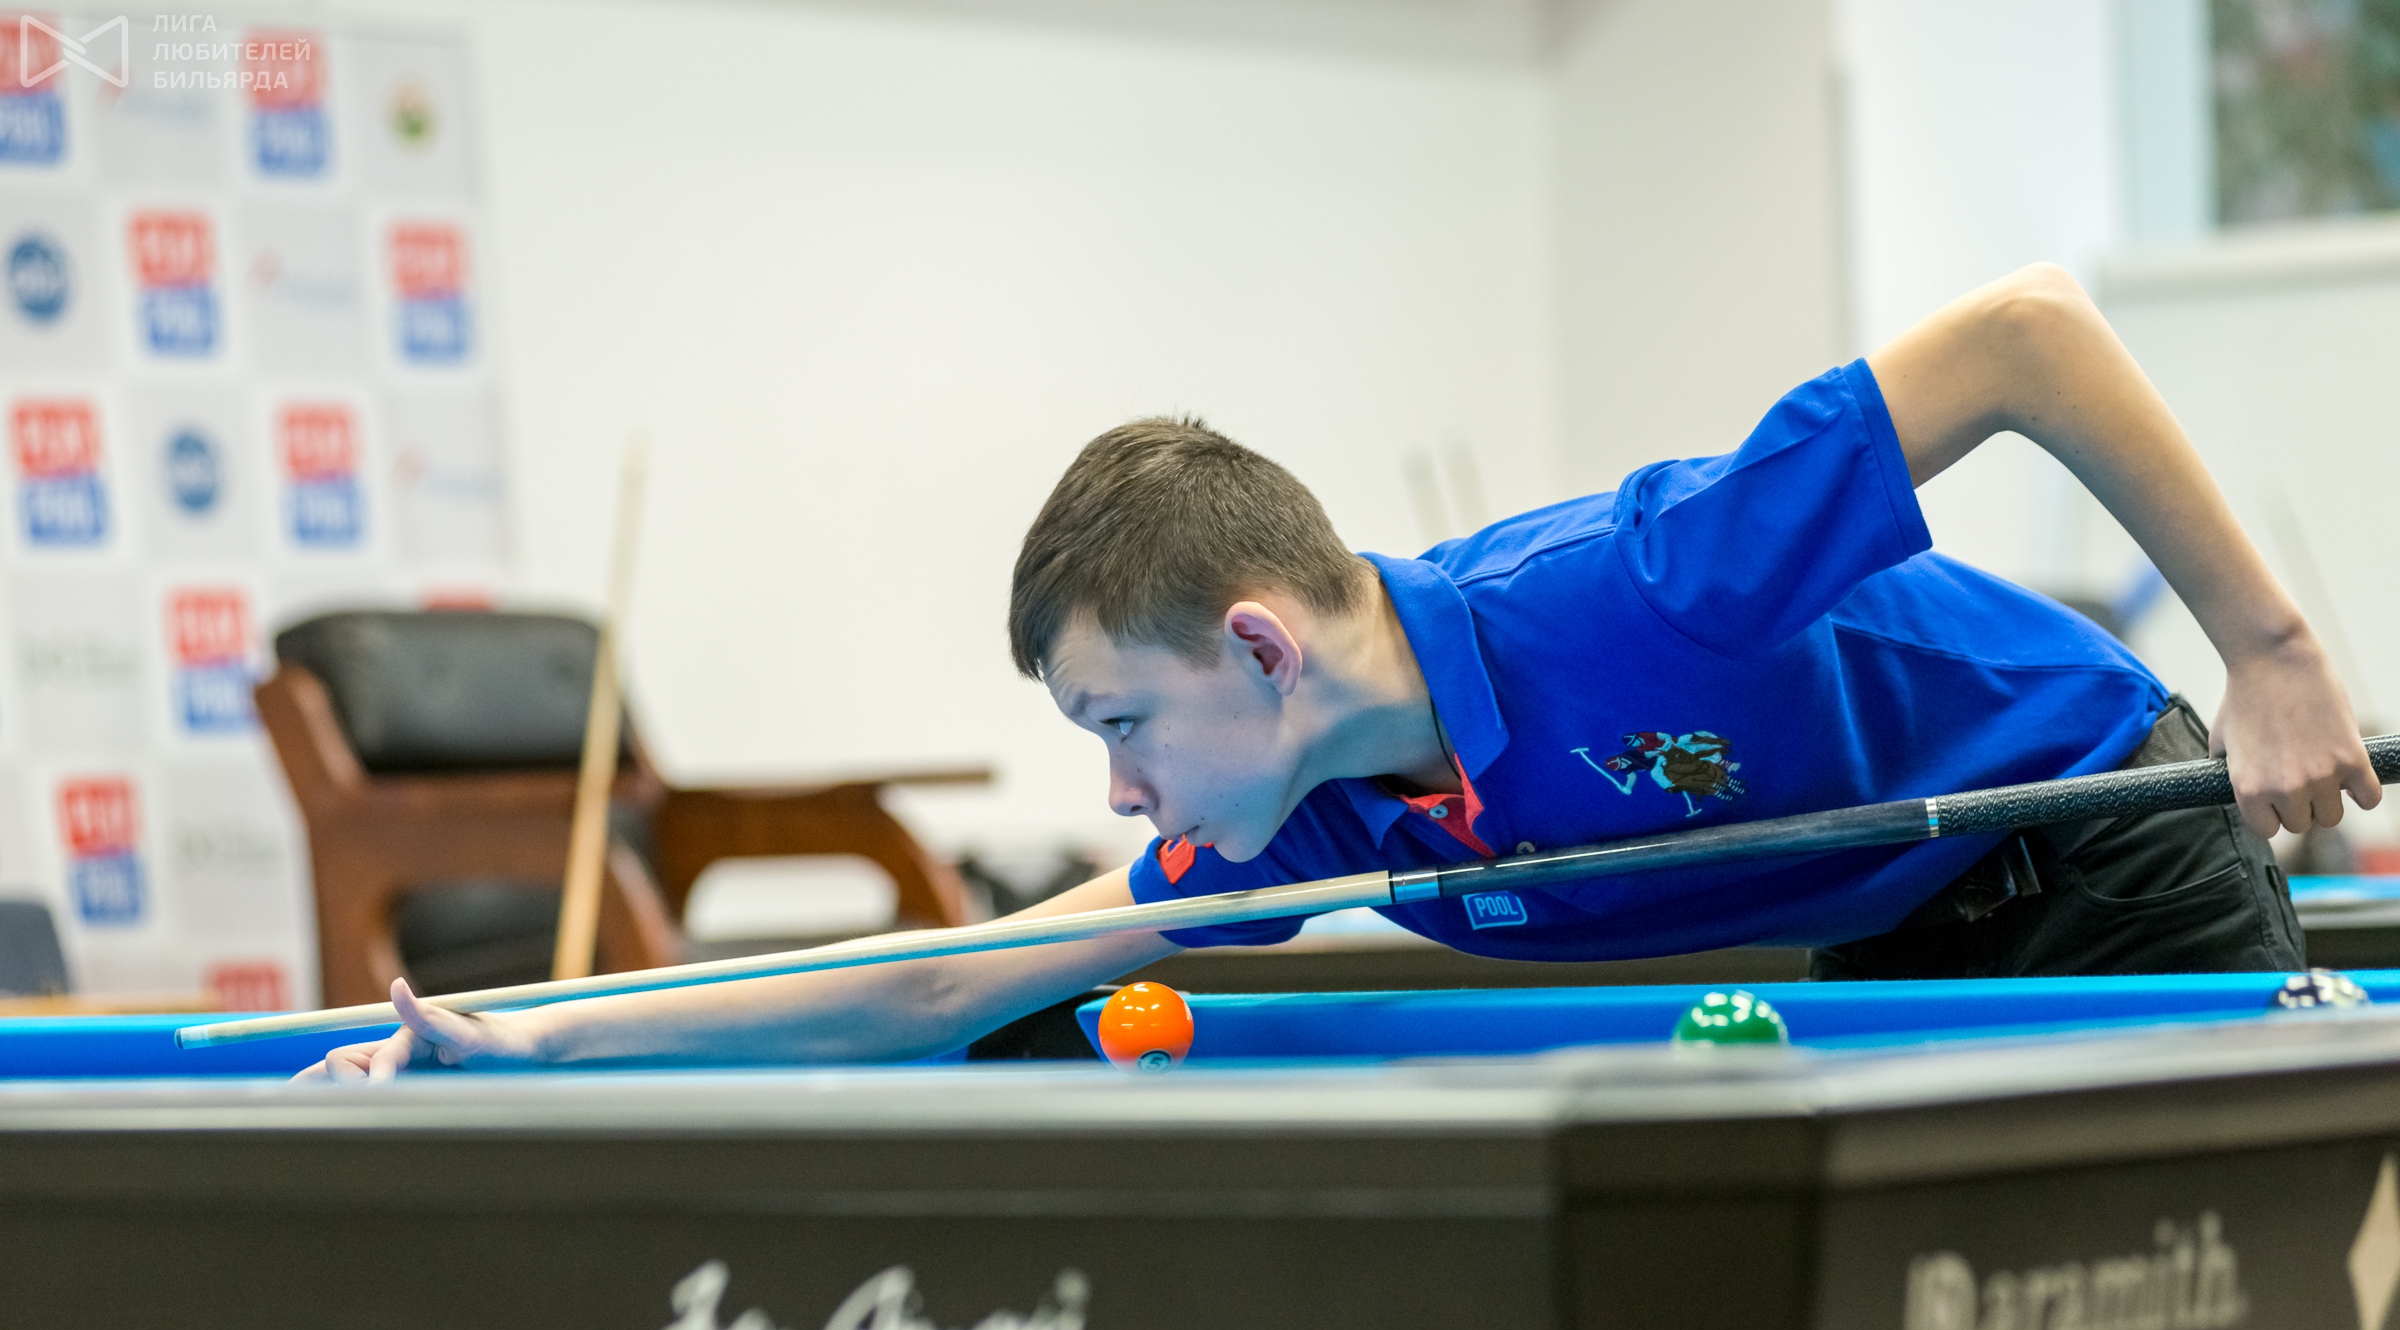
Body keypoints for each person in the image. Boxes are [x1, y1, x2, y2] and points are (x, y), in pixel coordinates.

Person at [303, 264, 2380, 1080]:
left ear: (1259, 648)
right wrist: (536, 1042)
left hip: (2100, 831)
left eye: (1122, 723)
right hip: (1898, 929)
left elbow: (2025, 336)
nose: (1119, 790)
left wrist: (2272, 652)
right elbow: (948, 979)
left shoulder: (1648, 578)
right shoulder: (1311, 815)